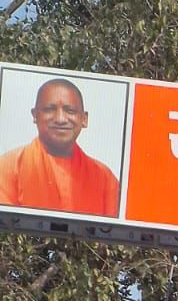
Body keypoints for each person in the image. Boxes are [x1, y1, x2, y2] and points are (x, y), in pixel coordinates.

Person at [0, 77, 120, 216]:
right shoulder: (8, 167)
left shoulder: (105, 178)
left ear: (84, 119)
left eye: (70, 110)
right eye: (50, 109)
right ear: (35, 115)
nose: (60, 119)